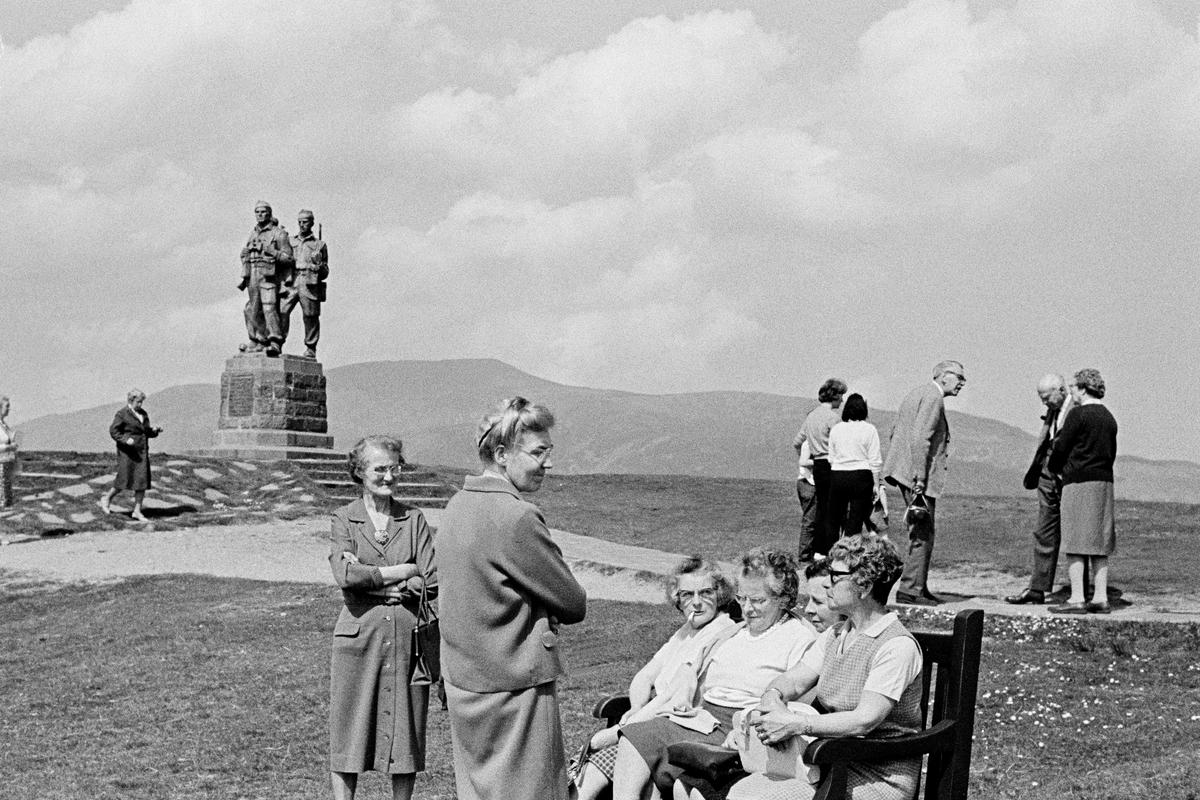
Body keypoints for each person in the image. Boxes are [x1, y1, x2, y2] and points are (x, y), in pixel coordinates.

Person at [437, 397, 587, 800]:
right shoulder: (517, 516)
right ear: (501, 454)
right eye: (539, 452)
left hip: (464, 682)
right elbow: (574, 603)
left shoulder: (457, 505)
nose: (548, 463)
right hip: (515, 688)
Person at [715, 534, 923, 800]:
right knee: (743, 791)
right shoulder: (836, 634)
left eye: (836, 577)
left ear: (865, 586)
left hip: (876, 774)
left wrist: (795, 724)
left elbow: (863, 720)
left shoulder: (896, 646)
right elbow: (792, 681)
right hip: (828, 762)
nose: (827, 586)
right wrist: (773, 701)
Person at [612, 549, 818, 800]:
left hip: (744, 728)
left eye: (758, 601)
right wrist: (687, 699)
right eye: (742, 599)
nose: (748, 609)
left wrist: (749, 724)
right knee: (636, 741)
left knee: (655, 756)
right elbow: (691, 670)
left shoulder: (799, 637)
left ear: (783, 599)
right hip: (702, 718)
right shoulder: (733, 632)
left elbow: (799, 703)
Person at [572, 556, 740, 800]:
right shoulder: (686, 632)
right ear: (677, 598)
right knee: (585, 776)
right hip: (647, 719)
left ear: (720, 593)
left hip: (673, 723)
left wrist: (622, 729)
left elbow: (672, 698)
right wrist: (637, 706)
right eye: (686, 595)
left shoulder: (719, 630)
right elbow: (646, 674)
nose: (696, 603)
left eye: (705, 593)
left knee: (598, 768)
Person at [328, 436, 436, 800]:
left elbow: (430, 581)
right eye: (380, 469)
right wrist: (400, 571)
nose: (389, 476)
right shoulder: (344, 518)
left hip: (407, 640)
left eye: (394, 468)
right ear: (359, 472)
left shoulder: (414, 520)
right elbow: (345, 576)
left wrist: (370, 580)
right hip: (358, 641)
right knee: (350, 730)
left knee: (406, 730)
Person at [882, 360, 965, 606]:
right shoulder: (933, 397)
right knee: (922, 532)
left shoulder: (918, 393)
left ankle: (919, 585)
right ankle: (910, 589)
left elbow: (896, 430)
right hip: (918, 476)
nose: (962, 383)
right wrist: (920, 477)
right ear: (943, 376)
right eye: (959, 377)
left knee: (922, 531)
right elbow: (921, 438)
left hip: (906, 472)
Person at [1048, 369, 1118, 615]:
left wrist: (1055, 468)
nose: (1072, 392)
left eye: (1074, 387)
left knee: (1075, 541)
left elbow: (1061, 448)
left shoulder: (1078, 415)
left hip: (1078, 481)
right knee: (1099, 542)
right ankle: (1100, 597)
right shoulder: (1109, 417)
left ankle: (1077, 596)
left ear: (1082, 388)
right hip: (1104, 483)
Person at [1006, 374, 1076, 605]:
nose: (1044, 403)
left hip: (1069, 476)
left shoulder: (1078, 408)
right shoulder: (1053, 409)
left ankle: (1080, 591)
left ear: (1061, 390)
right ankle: (1037, 588)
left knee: (1076, 533)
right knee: (1044, 530)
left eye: (1047, 398)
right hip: (1047, 472)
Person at [792, 379, 848, 562]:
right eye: (841, 396)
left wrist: (806, 457)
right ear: (835, 396)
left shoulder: (811, 416)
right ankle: (829, 550)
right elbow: (843, 443)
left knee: (822, 509)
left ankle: (818, 550)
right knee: (834, 510)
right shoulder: (834, 418)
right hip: (832, 464)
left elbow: (797, 442)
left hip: (817, 465)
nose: (842, 400)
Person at [238, 200, 293, 357]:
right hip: (252, 274)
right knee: (252, 309)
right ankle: (257, 340)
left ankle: (275, 341)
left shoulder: (278, 234)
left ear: (269, 213)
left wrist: (272, 252)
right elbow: (248, 251)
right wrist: (245, 256)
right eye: (257, 212)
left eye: (263, 212)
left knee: (269, 308)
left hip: (269, 275)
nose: (260, 215)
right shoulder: (253, 233)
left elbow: (288, 258)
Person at [99, 389, 162, 521]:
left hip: (141, 452)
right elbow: (114, 431)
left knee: (141, 482)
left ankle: (137, 511)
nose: (140, 405)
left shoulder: (143, 414)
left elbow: (146, 431)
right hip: (127, 453)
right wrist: (125, 439)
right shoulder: (122, 414)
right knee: (124, 479)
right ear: (131, 400)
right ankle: (106, 499)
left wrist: (154, 431)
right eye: (138, 402)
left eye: (142, 402)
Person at [826, 394, 882, 538]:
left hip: (838, 474)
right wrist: (876, 484)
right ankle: (850, 548)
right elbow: (874, 460)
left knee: (835, 516)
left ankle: (831, 550)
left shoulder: (836, 429)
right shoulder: (869, 429)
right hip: (861, 475)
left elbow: (831, 457)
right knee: (856, 517)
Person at [282, 209, 328, 359]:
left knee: (310, 316)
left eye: (305, 222)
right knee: (282, 311)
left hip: (309, 283)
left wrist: (319, 264)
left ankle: (311, 347)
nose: (302, 225)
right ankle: (277, 343)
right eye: (300, 222)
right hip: (292, 281)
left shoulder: (319, 245)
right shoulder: (290, 241)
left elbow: (325, 272)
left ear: (312, 223)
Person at [794, 441, 817, 559]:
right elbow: (803, 461)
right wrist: (823, 461)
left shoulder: (810, 442)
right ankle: (805, 556)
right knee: (810, 521)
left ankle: (809, 554)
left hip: (807, 483)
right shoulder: (809, 443)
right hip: (809, 483)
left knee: (812, 521)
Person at [0, 395, 17, 507]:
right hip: (0, 464)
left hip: (7, 463)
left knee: (6, 495)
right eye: (7, 406)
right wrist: (10, 447)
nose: (9, 409)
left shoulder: (4, 425)